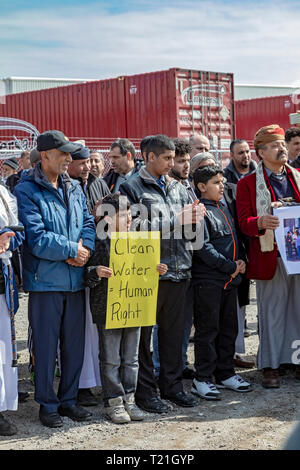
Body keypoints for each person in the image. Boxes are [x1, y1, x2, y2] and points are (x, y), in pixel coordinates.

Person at [14, 130, 96, 428]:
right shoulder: (26, 191)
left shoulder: (73, 187)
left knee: (74, 345)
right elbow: (35, 238)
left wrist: (85, 247)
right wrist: (72, 249)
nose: (68, 159)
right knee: (47, 349)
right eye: (63, 153)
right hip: (46, 283)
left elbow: (87, 221)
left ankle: (69, 400)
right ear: (45, 155)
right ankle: (47, 405)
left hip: (75, 279)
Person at [120, 134, 205, 412]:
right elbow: (131, 231)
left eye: (174, 158)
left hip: (179, 270)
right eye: (167, 158)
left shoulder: (180, 187)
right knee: (144, 340)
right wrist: (176, 220)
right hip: (149, 272)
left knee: (173, 336)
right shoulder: (131, 187)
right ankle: (146, 393)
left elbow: (189, 231)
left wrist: (196, 217)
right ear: (150, 157)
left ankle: (172, 387)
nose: (173, 163)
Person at [85, 194, 168, 424]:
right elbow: (86, 274)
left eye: (130, 214)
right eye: (124, 215)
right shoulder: (98, 241)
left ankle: (129, 401)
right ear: (109, 218)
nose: (129, 219)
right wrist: (96, 273)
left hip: (134, 307)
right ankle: (114, 402)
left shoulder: (140, 241)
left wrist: (157, 270)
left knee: (131, 359)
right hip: (107, 309)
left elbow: (144, 274)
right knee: (111, 359)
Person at [236, 124, 300, 388]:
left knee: (298, 311)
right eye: (275, 145)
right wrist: (261, 220)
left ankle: (295, 361)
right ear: (260, 153)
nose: (282, 148)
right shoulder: (248, 183)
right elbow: (244, 222)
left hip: (296, 255)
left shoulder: (297, 176)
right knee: (272, 312)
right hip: (269, 255)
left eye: (283, 144)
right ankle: (271, 366)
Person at [191, 165, 252, 400]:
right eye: (216, 182)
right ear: (202, 187)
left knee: (229, 329)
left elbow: (235, 238)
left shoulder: (223, 207)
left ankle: (225, 373)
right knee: (208, 331)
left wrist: (242, 262)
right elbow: (201, 248)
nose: (222, 185)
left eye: (222, 181)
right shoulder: (199, 211)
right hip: (209, 281)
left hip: (229, 281)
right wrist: (230, 266)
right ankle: (202, 378)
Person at [68, 144, 110, 406]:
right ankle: (81, 386)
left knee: (95, 330)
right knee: (80, 329)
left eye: (89, 162)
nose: (88, 167)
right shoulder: (66, 186)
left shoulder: (98, 184)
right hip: (76, 262)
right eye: (82, 163)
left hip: (99, 261)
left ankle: (94, 381)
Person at [0, 184, 24, 436]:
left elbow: (20, 231)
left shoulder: (3, 193)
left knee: (2, 347)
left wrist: (8, 236)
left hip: (2, 278)